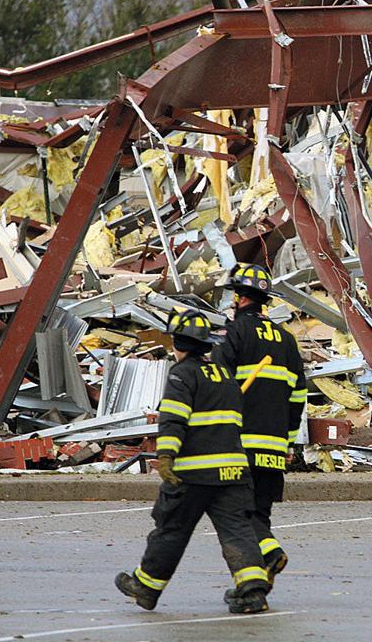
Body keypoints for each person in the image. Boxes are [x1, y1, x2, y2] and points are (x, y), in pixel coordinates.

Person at [115, 309, 270, 615]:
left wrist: (166, 456)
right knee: (238, 530)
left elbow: (173, 420)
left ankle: (146, 587)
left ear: (177, 343)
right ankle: (253, 592)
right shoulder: (225, 375)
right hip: (233, 472)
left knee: (172, 528)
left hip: (194, 474)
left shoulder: (181, 375)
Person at [213, 263, 306, 586]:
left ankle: (270, 554)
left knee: (238, 517)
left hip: (240, 446)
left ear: (239, 299)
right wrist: (289, 442)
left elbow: (218, 388)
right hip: (274, 447)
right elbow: (298, 398)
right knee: (259, 516)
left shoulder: (234, 334)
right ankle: (255, 588)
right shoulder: (286, 339)